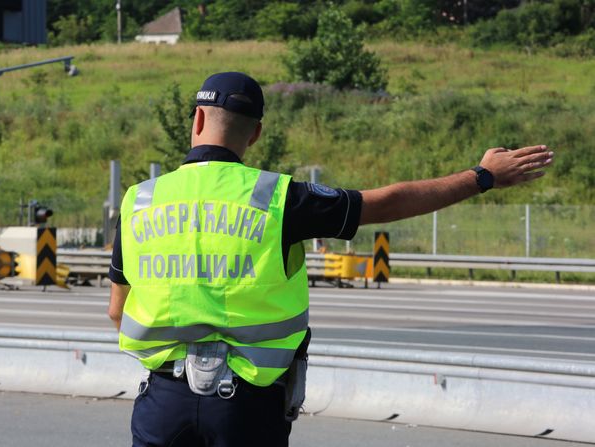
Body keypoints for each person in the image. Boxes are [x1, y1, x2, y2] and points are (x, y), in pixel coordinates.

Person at [107, 72, 553, 447]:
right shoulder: (278, 198)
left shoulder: (141, 201)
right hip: (245, 408)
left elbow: (117, 309)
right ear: (256, 133)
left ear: (198, 118)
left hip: (161, 405)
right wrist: (481, 177)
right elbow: (388, 202)